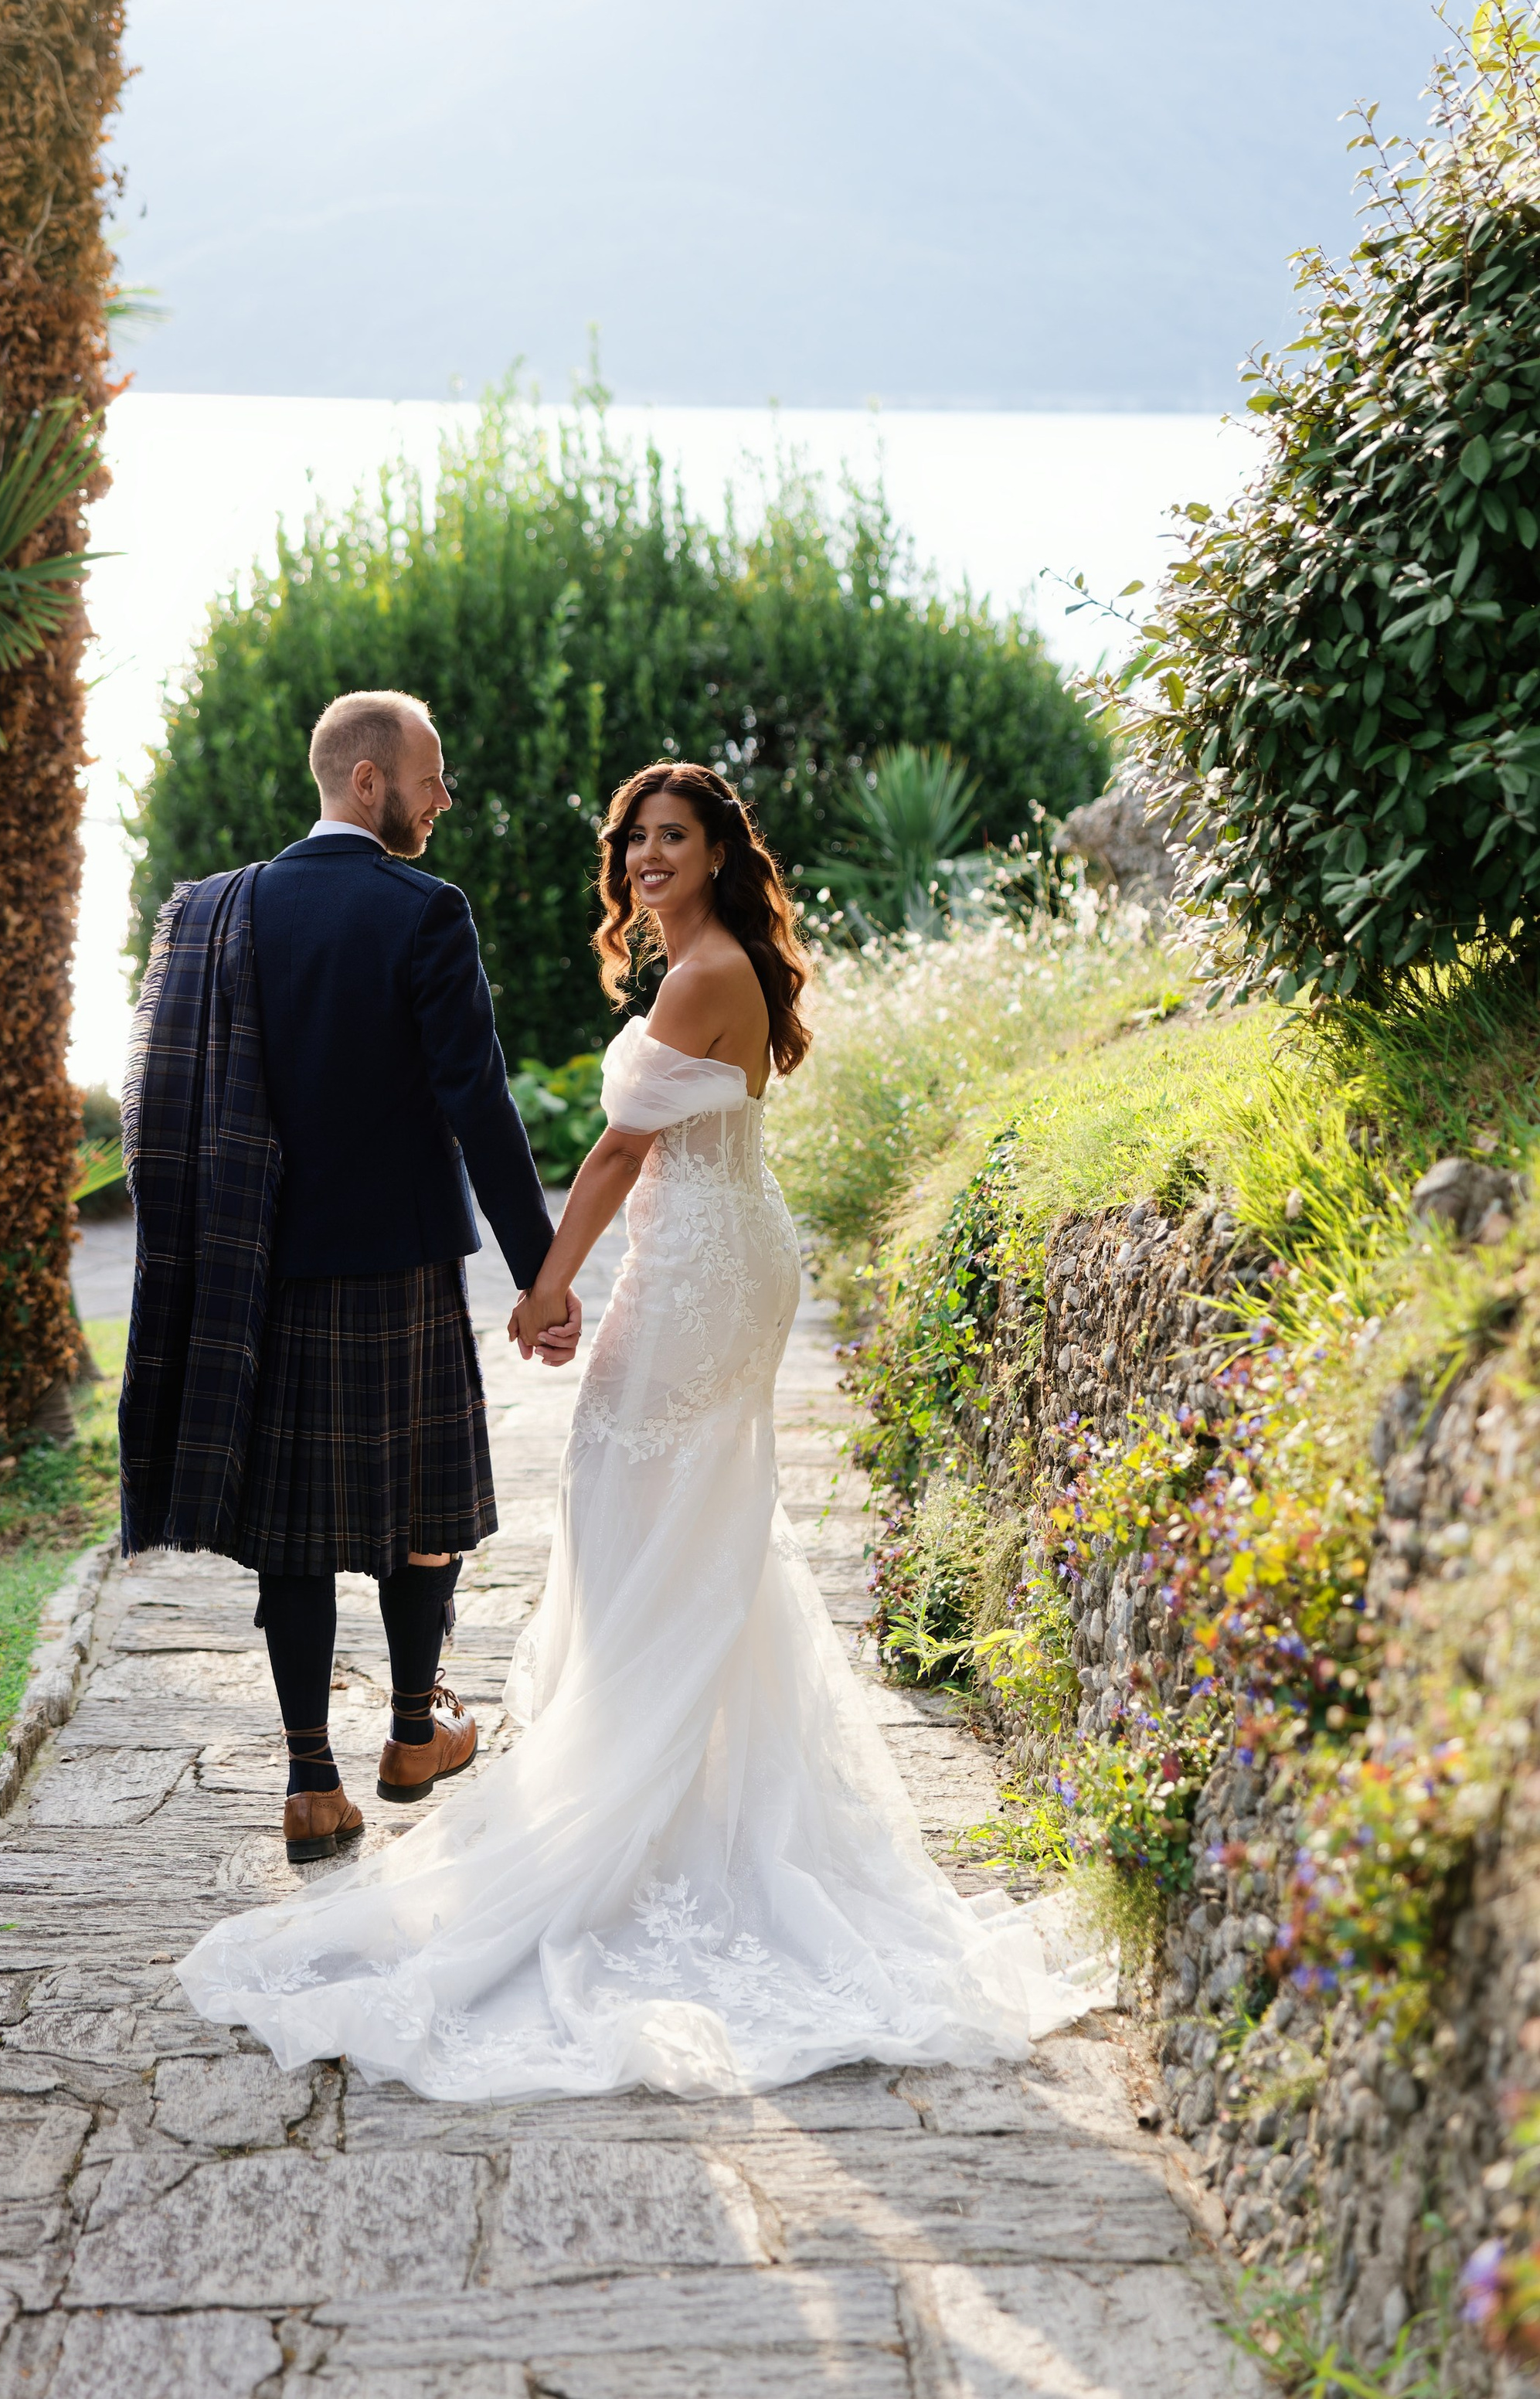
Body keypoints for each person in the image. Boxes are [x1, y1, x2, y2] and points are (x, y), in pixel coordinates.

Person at [175, 761, 1096, 2099]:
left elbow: (611, 1153)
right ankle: (672, 1799)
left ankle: (648, 1813)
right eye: (637, 841)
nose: (650, 858)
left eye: (675, 837)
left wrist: (548, 1285)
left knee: (636, 1511)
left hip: (704, 1271)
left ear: (721, 851)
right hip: (705, 1256)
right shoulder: (699, 968)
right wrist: (566, 1277)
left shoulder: (704, 972)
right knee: (672, 1524)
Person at [118, 689, 580, 1867]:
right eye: (431, 775)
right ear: (368, 782)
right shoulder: (425, 912)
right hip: (403, 1269)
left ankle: (311, 1780)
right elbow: (476, 1101)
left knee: (295, 1533)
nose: (443, 797)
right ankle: (418, 1733)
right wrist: (544, 1274)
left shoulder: (227, 913)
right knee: (424, 1510)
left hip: (262, 1270)